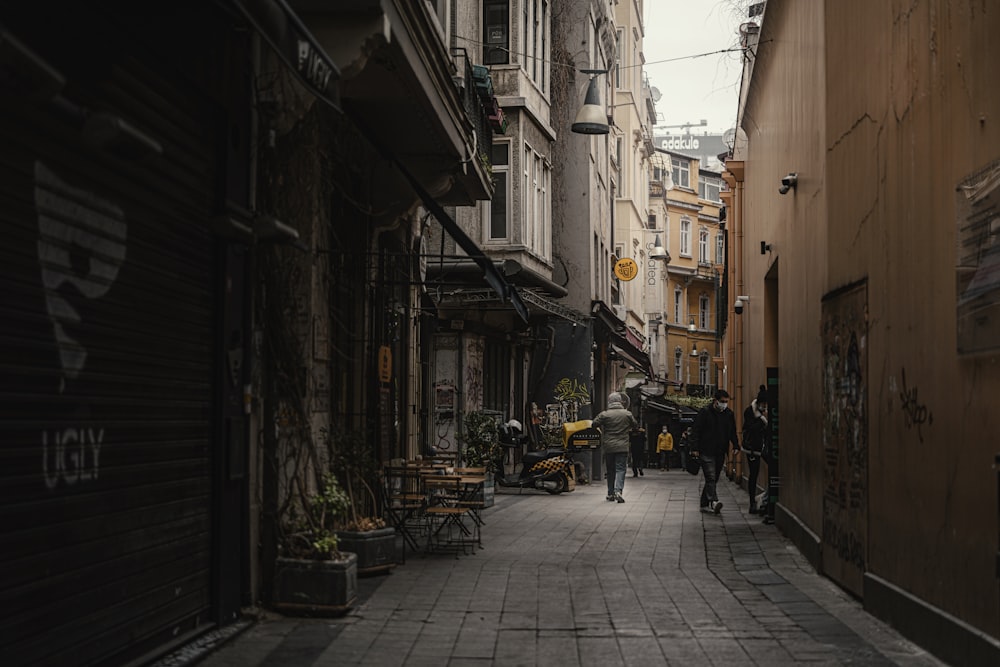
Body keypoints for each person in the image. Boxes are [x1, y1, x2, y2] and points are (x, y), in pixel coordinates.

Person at [689, 389, 739, 514]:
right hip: (706, 450)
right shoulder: (705, 412)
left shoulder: (728, 414)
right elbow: (696, 430)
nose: (724, 404)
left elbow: (732, 431)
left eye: (726, 402)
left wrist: (736, 445)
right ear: (715, 401)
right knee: (710, 476)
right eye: (722, 401)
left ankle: (704, 503)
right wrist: (695, 448)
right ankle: (714, 501)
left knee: (714, 478)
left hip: (720, 451)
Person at [592, 391, 638, 503]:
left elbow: (594, 424)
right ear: (620, 401)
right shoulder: (627, 414)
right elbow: (635, 425)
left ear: (609, 402)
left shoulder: (605, 414)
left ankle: (610, 493)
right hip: (622, 446)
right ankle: (618, 491)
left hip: (609, 447)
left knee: (610, 470)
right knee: (621, 469)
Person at [741, 385, 769, 514]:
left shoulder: (764, 412)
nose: (765, 406)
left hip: (762, 446)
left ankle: (765, 498)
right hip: (752, 448)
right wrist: (762, 421)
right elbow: (751, 428)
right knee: (754, 474)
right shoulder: (750, 412)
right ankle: (752, 502)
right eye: (763, 404)